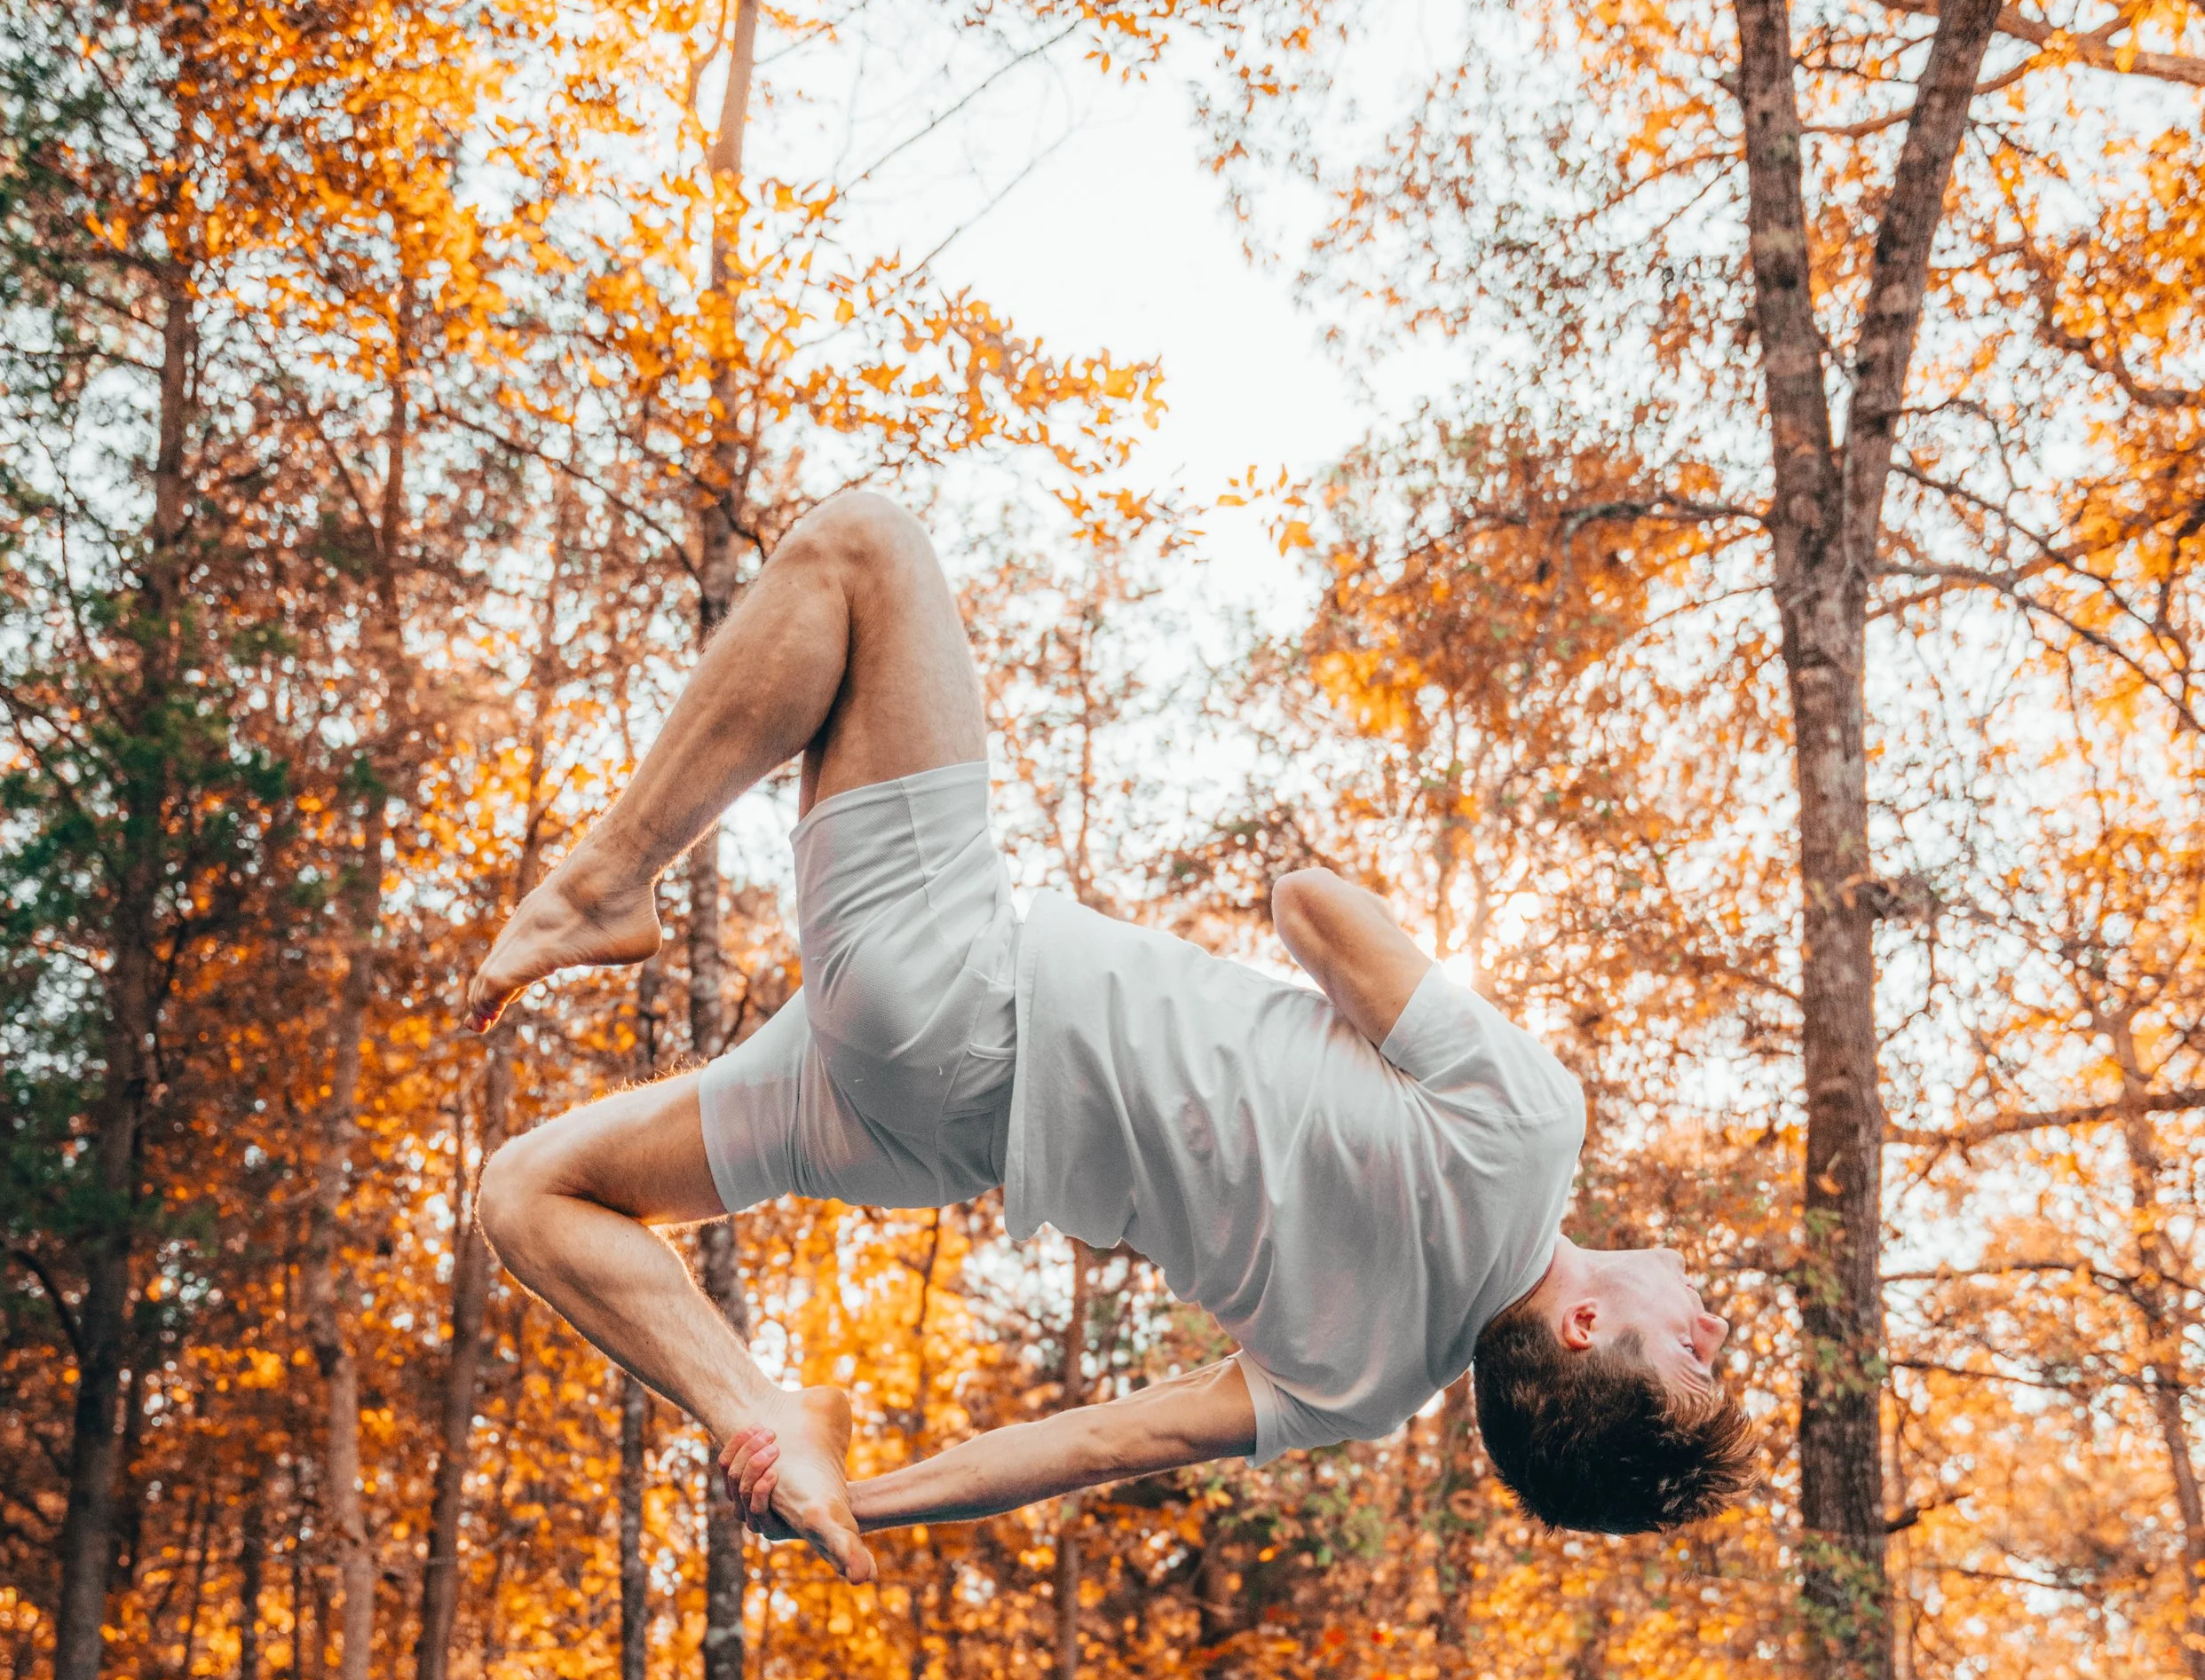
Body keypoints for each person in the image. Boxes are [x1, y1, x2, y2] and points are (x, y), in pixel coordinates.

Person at [470, 494, 1751, 1585]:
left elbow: (1308, 906)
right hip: (927, 1138)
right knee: (527, 1192)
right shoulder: (1364, 1394)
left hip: (966, 1005)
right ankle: (764, 1411)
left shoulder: (1531, 1135)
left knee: (864, 550)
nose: (1715, 1330)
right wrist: (855, 1500)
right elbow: (1083, 1448)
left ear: (1583, 1334)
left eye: (1696, 1360)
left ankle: (608, 884)